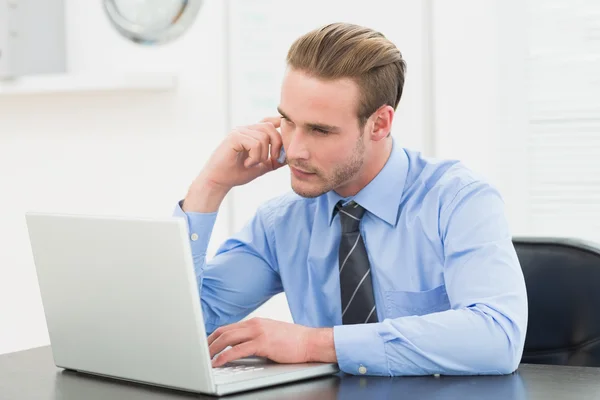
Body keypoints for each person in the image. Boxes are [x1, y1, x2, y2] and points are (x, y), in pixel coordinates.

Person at [173, 22, 528, 376]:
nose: (294, 150)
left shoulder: (458, 201)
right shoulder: (281, 222)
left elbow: (498, 337)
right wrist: (210, 187)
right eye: (288, 121)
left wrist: (313, 344)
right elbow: (182, 326)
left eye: (320, 130)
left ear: (379, 124)